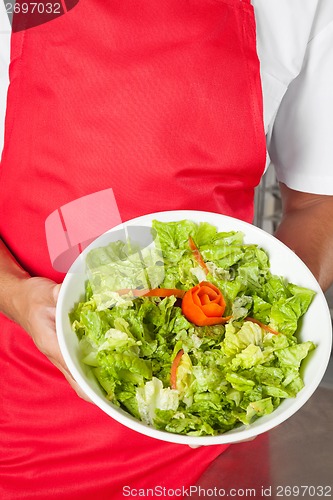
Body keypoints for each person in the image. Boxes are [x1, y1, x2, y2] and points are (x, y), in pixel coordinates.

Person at [0, 1, 333, 498]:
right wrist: (17, 295)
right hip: (27, 417)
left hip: (216, 433)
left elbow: (318, 203)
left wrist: (257, 337)